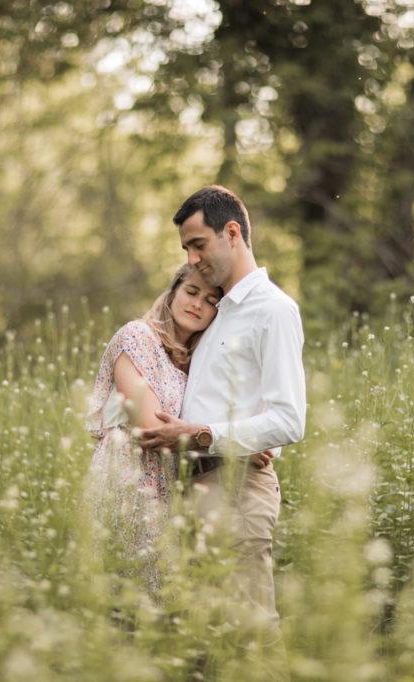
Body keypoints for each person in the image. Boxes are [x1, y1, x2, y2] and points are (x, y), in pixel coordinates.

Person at [140, 185, 307, 640]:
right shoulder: (218, 313)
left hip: (236, 490)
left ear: (231, 232)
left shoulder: (271, 310)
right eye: (186, 249)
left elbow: (289, 420)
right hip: (196, 487)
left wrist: (206, 435)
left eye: (198, 244)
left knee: (249, 636)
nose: (192, 259)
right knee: (205, 645)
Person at [84, 263, 272, 592]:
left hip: (169, 488)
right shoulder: (136, 337)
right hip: (127, 477)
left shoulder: (195, 361)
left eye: (211, 300)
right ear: (172, 294)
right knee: (120, 593)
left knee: (161, 603)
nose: (198, 304)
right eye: (191, 292)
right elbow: (151, 428)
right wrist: (235, 443)